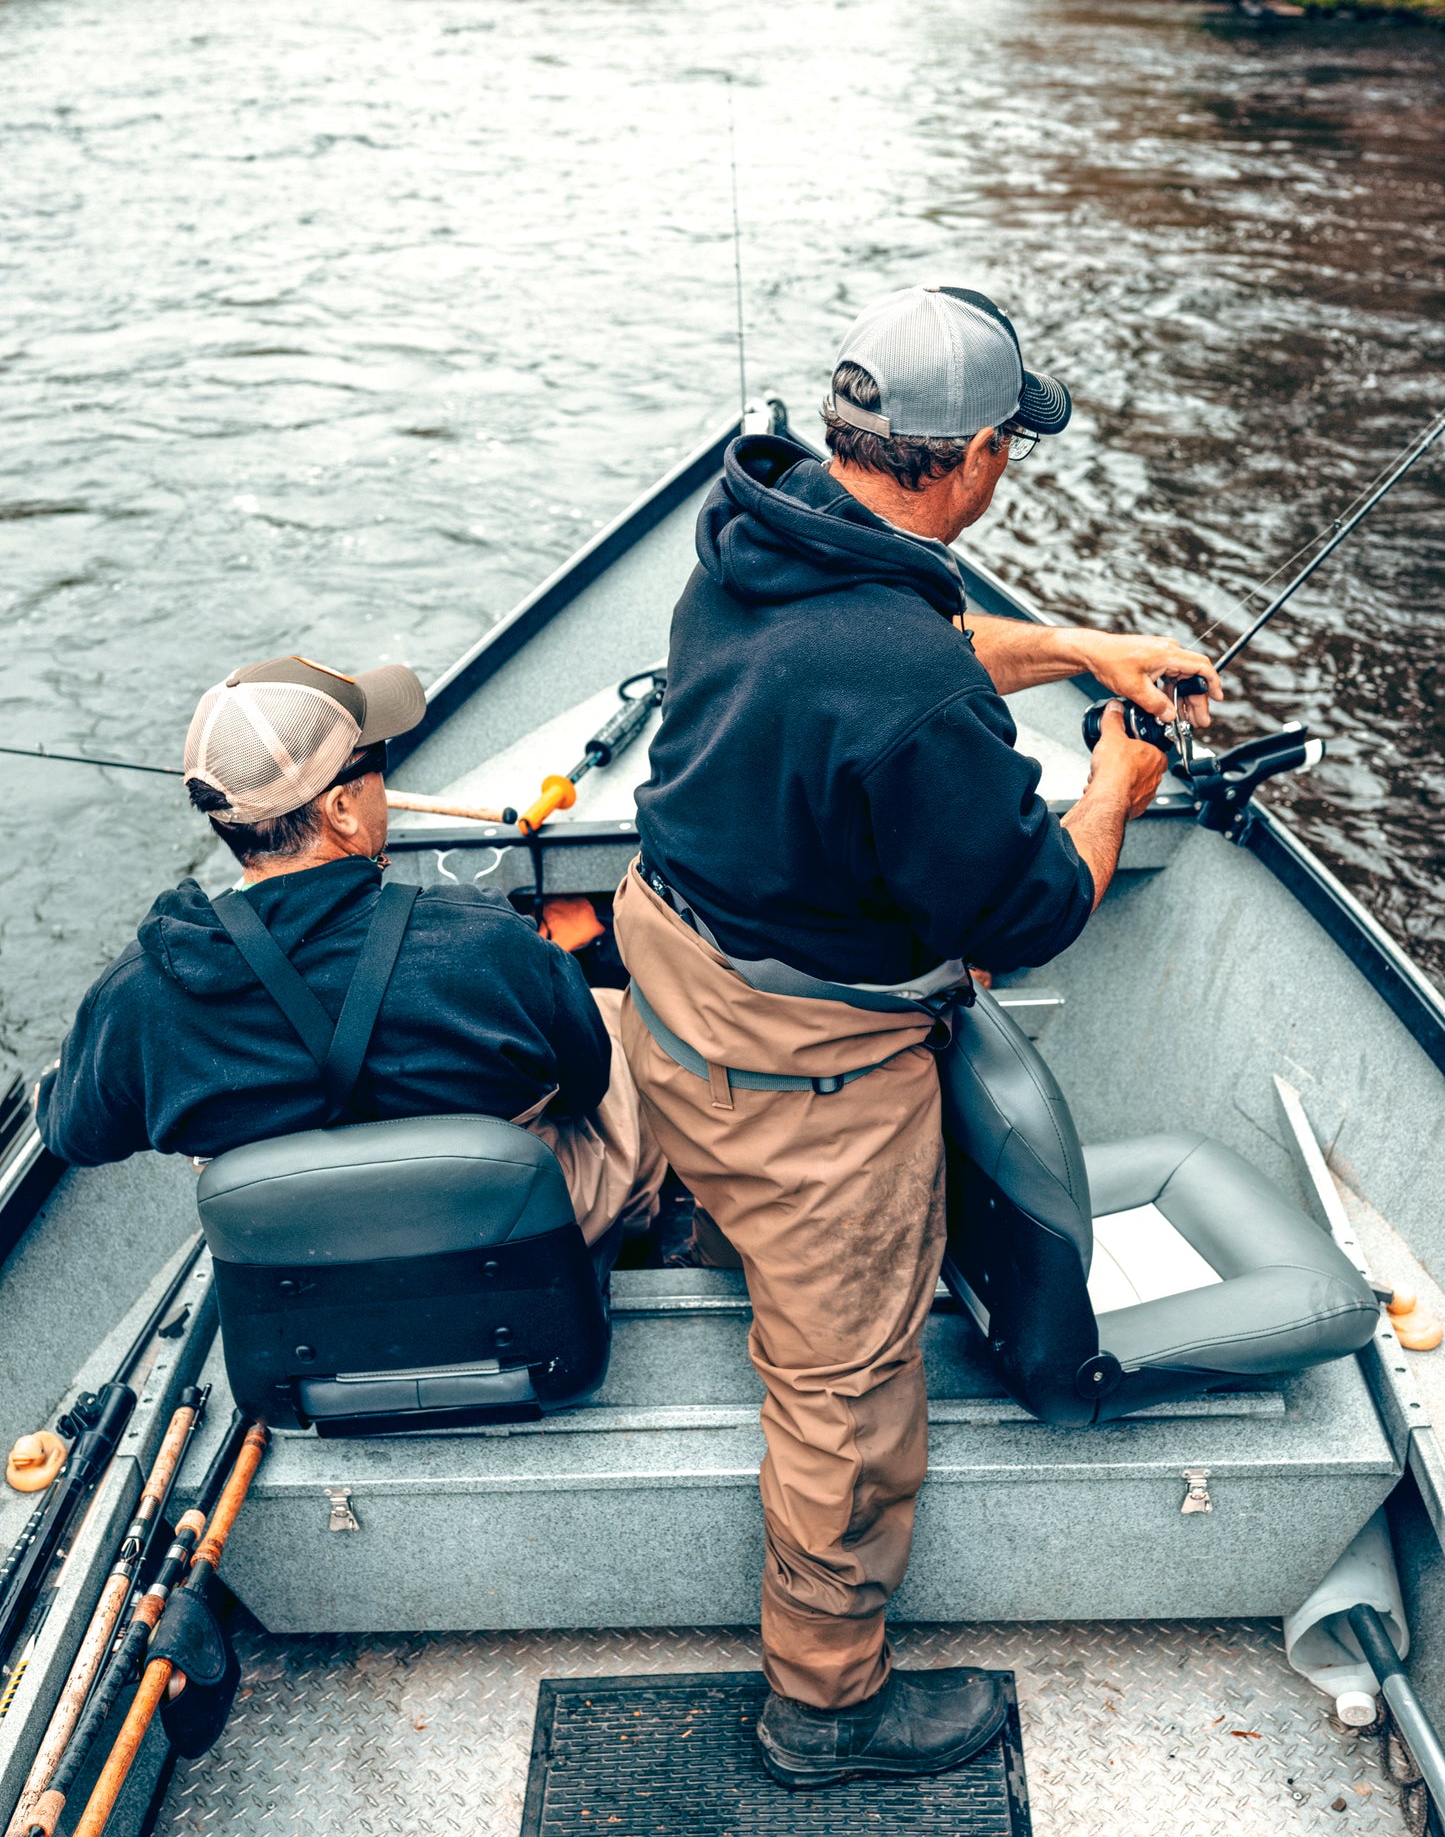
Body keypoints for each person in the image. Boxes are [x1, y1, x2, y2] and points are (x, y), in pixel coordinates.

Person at [610, 285, 1223, 1789]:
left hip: (671, 975)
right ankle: (822, 1707)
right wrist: (1114, 785)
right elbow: (1022, 910)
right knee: (847, 1391)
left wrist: (1087, 646)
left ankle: (703, 1208)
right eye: (1009, 440)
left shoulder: (760, 537)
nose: (1011, 463)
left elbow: (923, 630)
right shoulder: (902, 689)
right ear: (959, 461)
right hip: (805, 1077)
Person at [37, 654, 663, 1264]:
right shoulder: (493, 944)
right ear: (340, 808)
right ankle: (634, 1226)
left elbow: (72, 1133)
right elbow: (586, 1087)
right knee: (616, 1015)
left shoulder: (140, 997)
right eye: (378, 766)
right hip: (498, 1244)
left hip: (295, 1267)